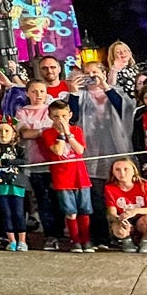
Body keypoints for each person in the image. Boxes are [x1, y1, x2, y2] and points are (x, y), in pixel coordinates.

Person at [72, 60, 134, 248]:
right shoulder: (80, 95)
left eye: (95, 72)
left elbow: (125, 109)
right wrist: (73, 91)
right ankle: (101, 238)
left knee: (121, 195)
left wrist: (104, 85)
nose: (91, 76)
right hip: (92, 153)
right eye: (87, 73)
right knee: (97, 199)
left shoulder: (115, 92)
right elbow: (72, 117)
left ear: (104, 73)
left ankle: (125, 236)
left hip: (116, 151)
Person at [40, 99, 93, 252]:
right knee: (70, 211)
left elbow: (79, 150)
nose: (60, 119)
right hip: (62, 179)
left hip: (80, 177)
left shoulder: (77, 130)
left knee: (84, 210)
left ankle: (86, 240)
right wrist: (62, 134)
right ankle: (75, 241)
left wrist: (68, 133)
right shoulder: (48, 133)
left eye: (63, 116)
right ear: (50, 117)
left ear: (70, 115)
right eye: (56, 116)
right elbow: (57, 150)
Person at [15, 79, 59, 246]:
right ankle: (50, 234)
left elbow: (57, 131)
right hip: (34, 164)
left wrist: (41, 132)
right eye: (34, 91)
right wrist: (45, 132)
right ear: (27, 93)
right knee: (43, 200)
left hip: (54, 162)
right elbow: (25, 133)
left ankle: (61, 231)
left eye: (41, 91)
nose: (38, 95)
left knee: (57, 199)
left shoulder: (52, 110)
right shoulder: (22, 112)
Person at [0, 118, 30, 252]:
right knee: (6, 213)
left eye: (7, 131)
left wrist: (5, 162)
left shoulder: (19, 149)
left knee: (19, 213)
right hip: (0, 186)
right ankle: (12, 241)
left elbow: (24, 161)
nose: (3, 134)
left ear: (14, 133)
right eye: (0, 131)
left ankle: (22, 241)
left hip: (16, 185)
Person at [104, 157, 147, 254]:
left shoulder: (143, 184)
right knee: (118, 227)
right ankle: (126, 240)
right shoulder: (110, 188)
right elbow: (111, 213)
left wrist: (135, 211)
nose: (122, 173)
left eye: (126, 169)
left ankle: (146, 240)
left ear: (134, 170)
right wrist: (119, 219)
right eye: (117, 170)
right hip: (124, 219)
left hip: (141, 220)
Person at [35, 55, 79, 123]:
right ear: (40, 71)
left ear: (59, 69)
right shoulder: (35, 90)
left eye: (53, 67)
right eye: (44, 68)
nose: (49, 71)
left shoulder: (71, 86)